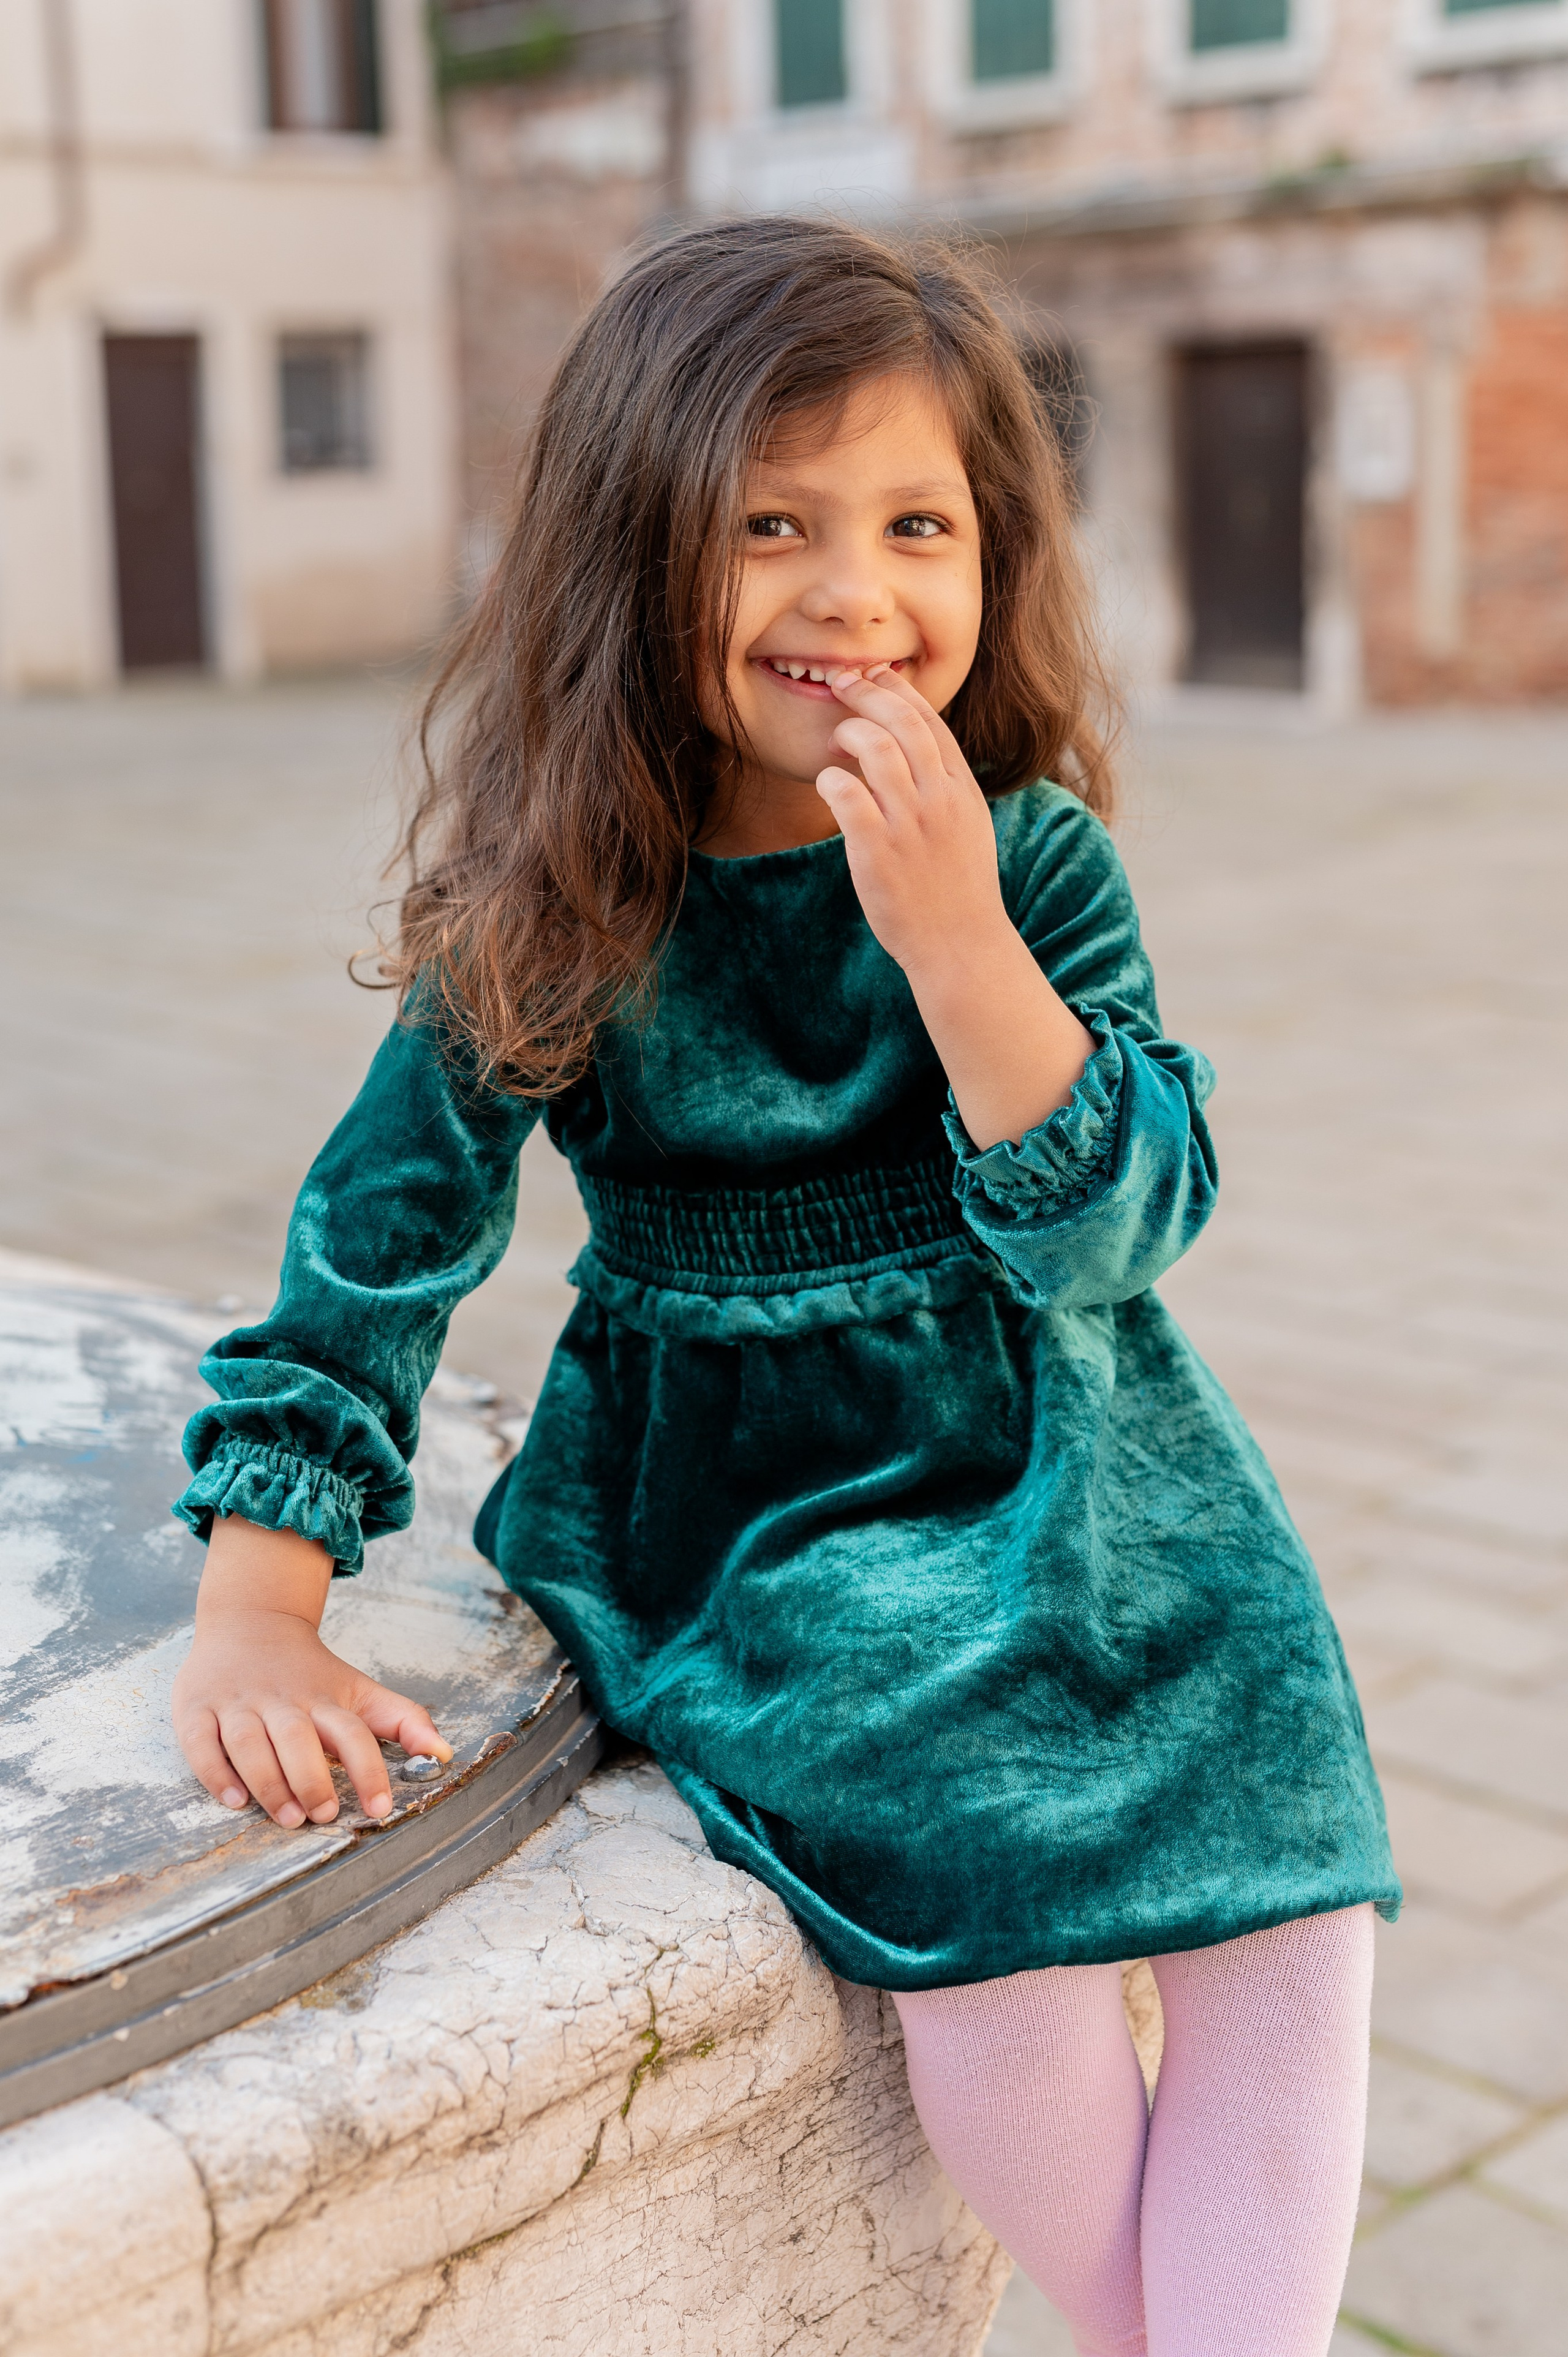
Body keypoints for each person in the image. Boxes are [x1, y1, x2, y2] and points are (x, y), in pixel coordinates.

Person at [170, 219, 1398, 2355]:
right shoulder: (563, 904)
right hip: (763, 1511)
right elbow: (379, 1246)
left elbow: (1130, 1229)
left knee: (1292, 1879)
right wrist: (257, 1602)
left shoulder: (1027, 864)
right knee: (980, 1897)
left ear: (994, 556)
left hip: (1090, 1453)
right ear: (636, 551)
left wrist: (956, 950)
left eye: (918, 522)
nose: (856, 588)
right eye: (773, 525)